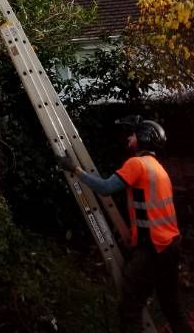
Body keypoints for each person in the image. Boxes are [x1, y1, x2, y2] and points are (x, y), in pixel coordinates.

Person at [58, 116, 190, 333]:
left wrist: (75, 169)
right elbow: (150, 209)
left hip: (153, 248)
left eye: (133, 134)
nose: (129, 138)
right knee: (171, 305)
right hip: (170, 245)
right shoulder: (158, 167)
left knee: (130, 305)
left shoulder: (137, 164)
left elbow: (105, 188)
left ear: (144, 138)